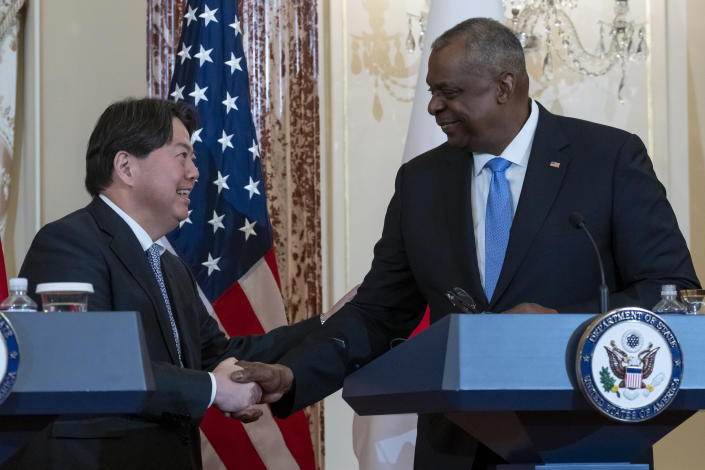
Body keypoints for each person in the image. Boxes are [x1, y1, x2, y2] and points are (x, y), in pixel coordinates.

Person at [233, 18, 701, 469]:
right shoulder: (422, 181)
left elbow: (673, 295)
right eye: (432, 92)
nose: (433, 107)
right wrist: (296, 373)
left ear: (504, 86)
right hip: (456, 447)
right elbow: (378, 313)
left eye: (449, 92)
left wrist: (561, 323)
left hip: (586, 437)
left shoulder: (609, 159)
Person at [8, 98, 320, 470]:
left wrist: (328, 323)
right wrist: (214, 389)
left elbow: (222, 353)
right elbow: (91, 363)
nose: (195, 172)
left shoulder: (169, 267)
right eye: (182, 156)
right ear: (126, 166)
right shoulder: (68, 242)